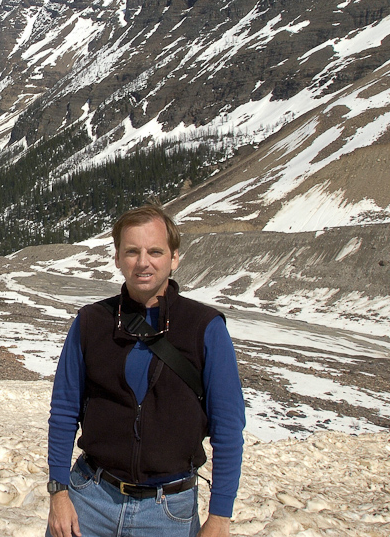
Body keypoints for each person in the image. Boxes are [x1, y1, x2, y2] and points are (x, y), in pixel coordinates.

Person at [46, 205, 245, 537]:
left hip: (168, 512)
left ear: (174, 258)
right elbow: (64, 410)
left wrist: (220, 517)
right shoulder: (92, 322)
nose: (143, 262)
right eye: (132, 252)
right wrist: (59, 493)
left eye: (155, 251)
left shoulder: (204, 328)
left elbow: (227, 428)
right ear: (117, 258)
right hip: (89, 501)